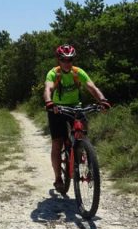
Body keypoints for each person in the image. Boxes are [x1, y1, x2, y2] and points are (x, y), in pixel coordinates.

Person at [43, 44, 110, 194]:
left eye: (70, 59)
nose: (67, 62)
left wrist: (103, 100)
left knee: (82, 135)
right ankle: (58, 178)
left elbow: (91, 86)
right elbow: (48, 89)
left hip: (75, 107)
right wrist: (49, 102)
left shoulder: (77, 72)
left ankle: (81, 154)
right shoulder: (54, 73)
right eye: (63, 59)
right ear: (58, 60)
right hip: (57, 109)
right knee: (57, 142)